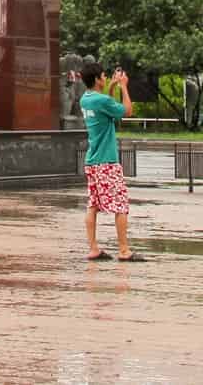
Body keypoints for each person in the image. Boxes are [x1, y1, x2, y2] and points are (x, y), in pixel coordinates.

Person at [78, 61, 140, 261]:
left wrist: (112, 87)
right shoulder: (100, 101)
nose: (105, 78)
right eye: (103, 76)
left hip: (92, 161)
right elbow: (127, 110)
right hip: (107, 162)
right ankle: (124, 250)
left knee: (93, 204)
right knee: (120, 205)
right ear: (96, 79)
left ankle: (94, 248)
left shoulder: (85, 100)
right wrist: (123, 86)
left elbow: (108, 108)